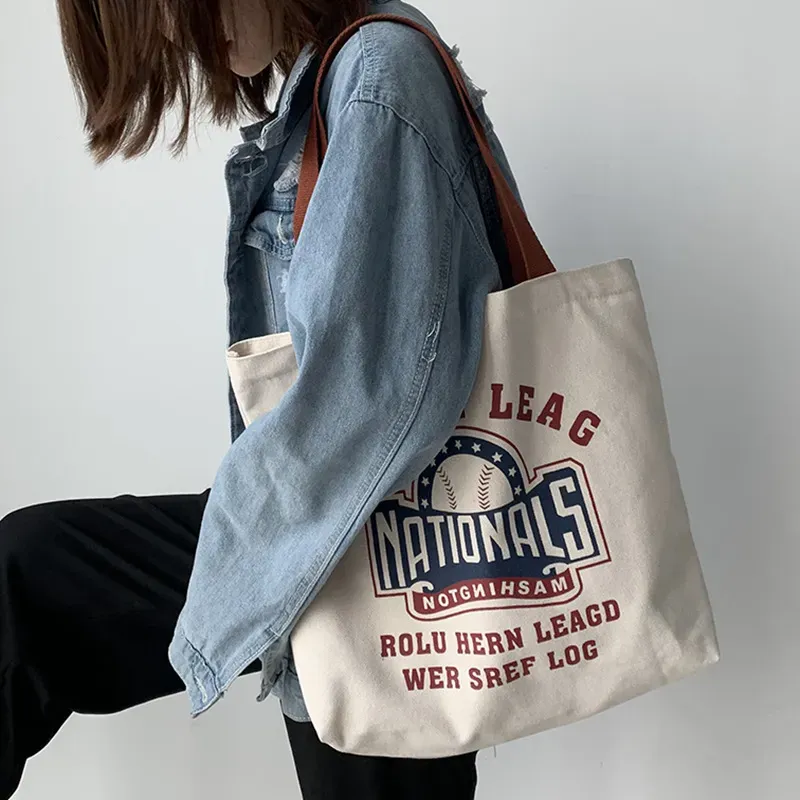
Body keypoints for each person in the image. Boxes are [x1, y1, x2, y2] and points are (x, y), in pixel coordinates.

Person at [0, 0, 527, 797]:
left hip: (387, 567)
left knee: (29, 579)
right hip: (341, 533)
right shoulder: (335, 81)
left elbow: (362, 406)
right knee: (28, 576)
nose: (170, 33)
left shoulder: (377, 75)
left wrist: (219, 614)